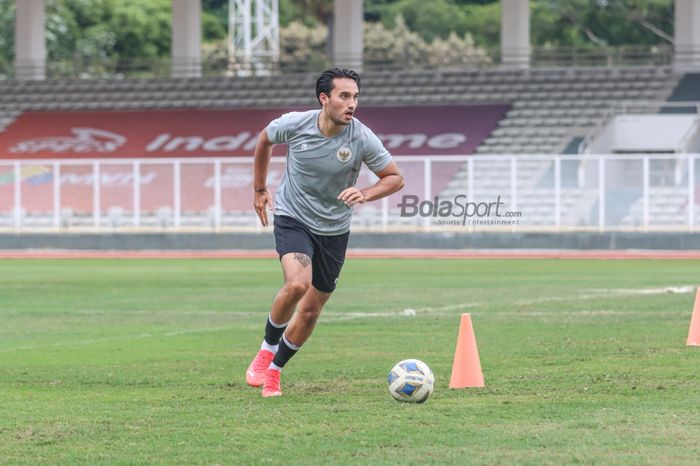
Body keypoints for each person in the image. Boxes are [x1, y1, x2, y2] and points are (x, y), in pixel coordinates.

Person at [245, 68, 405, 397]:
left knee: (311, 309)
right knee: (298, 283)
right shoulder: (295, 124)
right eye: (344, 96)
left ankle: (275, 371)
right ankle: (265, 350)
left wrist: (366, 193)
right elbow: (264, 139)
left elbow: (394, 177)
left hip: (334, 229)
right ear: (324, 98)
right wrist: (260, 188)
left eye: (356, 97)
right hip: (293, 217)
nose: (352, 103)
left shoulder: (361, 138)